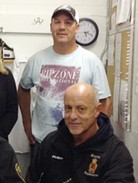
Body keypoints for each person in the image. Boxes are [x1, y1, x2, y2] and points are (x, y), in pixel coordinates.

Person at [25, 82, 136, 183]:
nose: (72, 116)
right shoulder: (51, 143)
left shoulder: (115, 152)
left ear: (97, 110)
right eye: (68, 108)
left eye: (81, 109)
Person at [18, 5, 112, 147]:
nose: (62, 27)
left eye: (68, 22)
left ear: (77, 27)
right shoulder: (36, 60)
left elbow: (105, 102)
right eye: (57, 22)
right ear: (51, 27)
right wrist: (27, 123)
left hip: (80, 144)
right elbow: (23, 89)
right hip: (43, 142)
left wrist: (95, 137)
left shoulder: (92, 62)